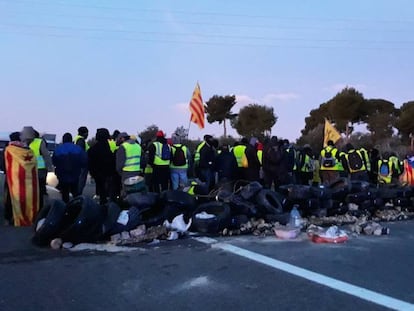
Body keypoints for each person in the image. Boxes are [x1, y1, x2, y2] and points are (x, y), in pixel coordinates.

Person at [20, 126, 53, 210]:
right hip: (39, 170)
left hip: (33, 170)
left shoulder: (23, 143)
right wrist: (49, 168)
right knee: (40, 190)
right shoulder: (39, 142)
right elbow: (46, 155)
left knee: (32, 190)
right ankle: (39, 208)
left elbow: (46, 155)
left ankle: (34, 207)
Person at [52, 133, 87, 203]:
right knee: (75, 192)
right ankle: (76, 207)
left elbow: (54, 161)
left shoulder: (58, 149)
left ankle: (65, 208)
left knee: (65, 193)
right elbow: (84, 161)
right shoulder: (78, 149)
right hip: (75, 174)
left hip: (62, 174)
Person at [88, 128, 116, 205]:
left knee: (102, 189)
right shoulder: (109, 147)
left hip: (98, 173)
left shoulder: (93, 149)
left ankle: (103, 203)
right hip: (108, 172)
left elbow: (90, 162)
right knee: (108, 190)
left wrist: (93, 173)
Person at [74, 126, 89, 194]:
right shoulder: (81, 140)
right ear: (84, 133)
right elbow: (80, 152)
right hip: (81, 164)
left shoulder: (76, 139)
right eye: (87, 133)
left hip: (76, 163)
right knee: (81, 180)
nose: (87, 135)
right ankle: (78, 194)